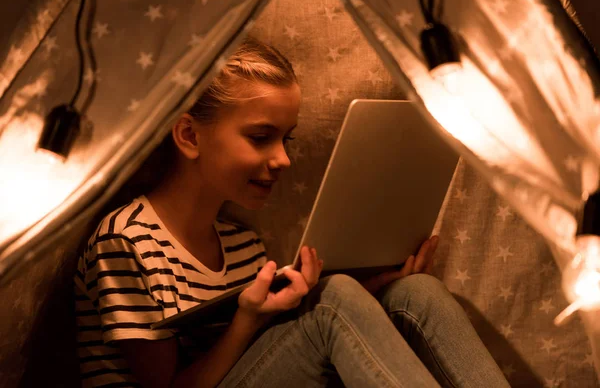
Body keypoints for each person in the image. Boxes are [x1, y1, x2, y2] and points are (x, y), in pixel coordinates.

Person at [74, 36, 509, 388]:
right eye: (261, 136)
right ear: (190, 135)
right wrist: (247, 321)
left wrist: (370, 289)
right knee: (333, 303)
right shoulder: (126, 240)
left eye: (287, 139)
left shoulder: (243, 244)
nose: (282, 159)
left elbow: (279, 353)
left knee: (415, 292)